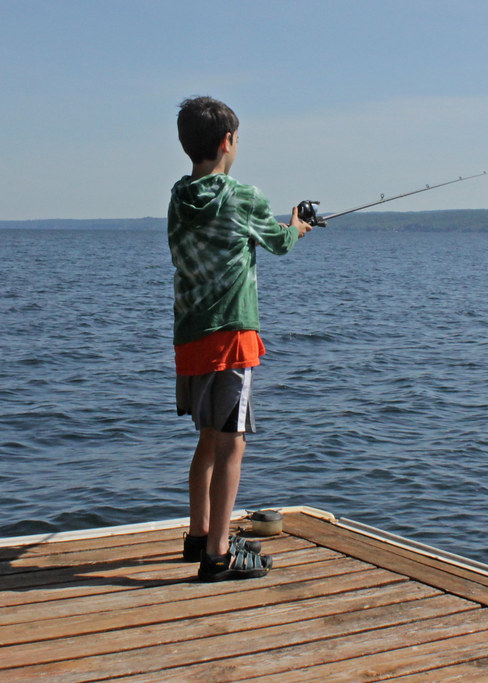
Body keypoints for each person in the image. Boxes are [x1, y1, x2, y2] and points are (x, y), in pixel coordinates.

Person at [169, 96, 312, 581]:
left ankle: (197, 536)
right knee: (232, 444)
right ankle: (216, 555)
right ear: (228, 141)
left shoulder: (178, 197)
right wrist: (297, 224)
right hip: (230, 339)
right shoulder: (242, 196)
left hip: (189, 340)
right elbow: (281, 243)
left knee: (206, 440)